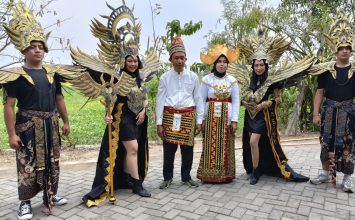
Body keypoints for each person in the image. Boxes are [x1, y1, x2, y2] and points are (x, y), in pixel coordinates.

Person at [0, 2, 84, 219]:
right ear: (24, 49)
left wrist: (65, 121)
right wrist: (11, 134)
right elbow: (8, 106)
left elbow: (59, 98)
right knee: (27, 163)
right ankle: (25, 202)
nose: (38, 49)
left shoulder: (53, 73)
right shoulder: (15, 75)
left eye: (41, 46)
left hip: (51, 124)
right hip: (27, 127)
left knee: (53, 160)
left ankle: (50, 195)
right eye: (33, 46)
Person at [234, 37, 311, 185]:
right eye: (256, 65)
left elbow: (278, 99)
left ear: (266, 65)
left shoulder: (273, 80)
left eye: (261, 65)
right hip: (250, 116)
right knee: (253, 144)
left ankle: (256, 172)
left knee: (253, 142)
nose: (259, 68)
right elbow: (243, 96)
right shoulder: (249, 80)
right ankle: (256, 168)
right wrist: (244, 102)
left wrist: (263, 105)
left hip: (264, 117)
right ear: (253, 66)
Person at [82, 49, 152, 207]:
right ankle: (137, 184)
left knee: (131, 150)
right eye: (129, 61)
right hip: (123, 117)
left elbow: (145, 99)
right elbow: (111, 100)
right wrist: (108, 114)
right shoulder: (117, 79)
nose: (133, 64)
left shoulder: (141, 79)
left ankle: (127, 178)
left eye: (135, 61)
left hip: (138, 119)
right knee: (133, 148)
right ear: (124, 63)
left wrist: (143, 111)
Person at [309, 17, 355, 193]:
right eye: (341, 48)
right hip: (328, 112)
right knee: (325, 142)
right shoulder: (325, 71)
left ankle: (348, 178)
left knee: (349, 144)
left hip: (349, 112)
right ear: (335, 51)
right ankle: (325, 173)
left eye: (347, 48)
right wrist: (315, 113)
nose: (344, 51)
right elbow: (319, 92)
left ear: (351, 51)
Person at [156, 36, 203, 189]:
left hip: (188, 116)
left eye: (182, 58)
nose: (180, 61)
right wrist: (159, 123)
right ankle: (167, 177)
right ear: (171, 59)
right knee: (169, 149)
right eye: (176, 58)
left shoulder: (193, 77)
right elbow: (160, 100)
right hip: (170, 116)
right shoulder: (164, 78)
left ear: (186, 58)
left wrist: (199, 121)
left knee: (187, 149)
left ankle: (186, 177)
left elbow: (198, 99)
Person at [196, 45, 240, 183]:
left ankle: (226, 174)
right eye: (219, 61)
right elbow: (201, 100)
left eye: (224, 62)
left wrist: (234, 120)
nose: (222, 64)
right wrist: (200, 119)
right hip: (210, 117)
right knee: (211, 145)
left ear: (227, 64)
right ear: (214, 64)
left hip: (227, 116)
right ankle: (209, 174)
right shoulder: (206, 80)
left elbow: (236, 101)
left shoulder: (232, 81)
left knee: (226, 144)